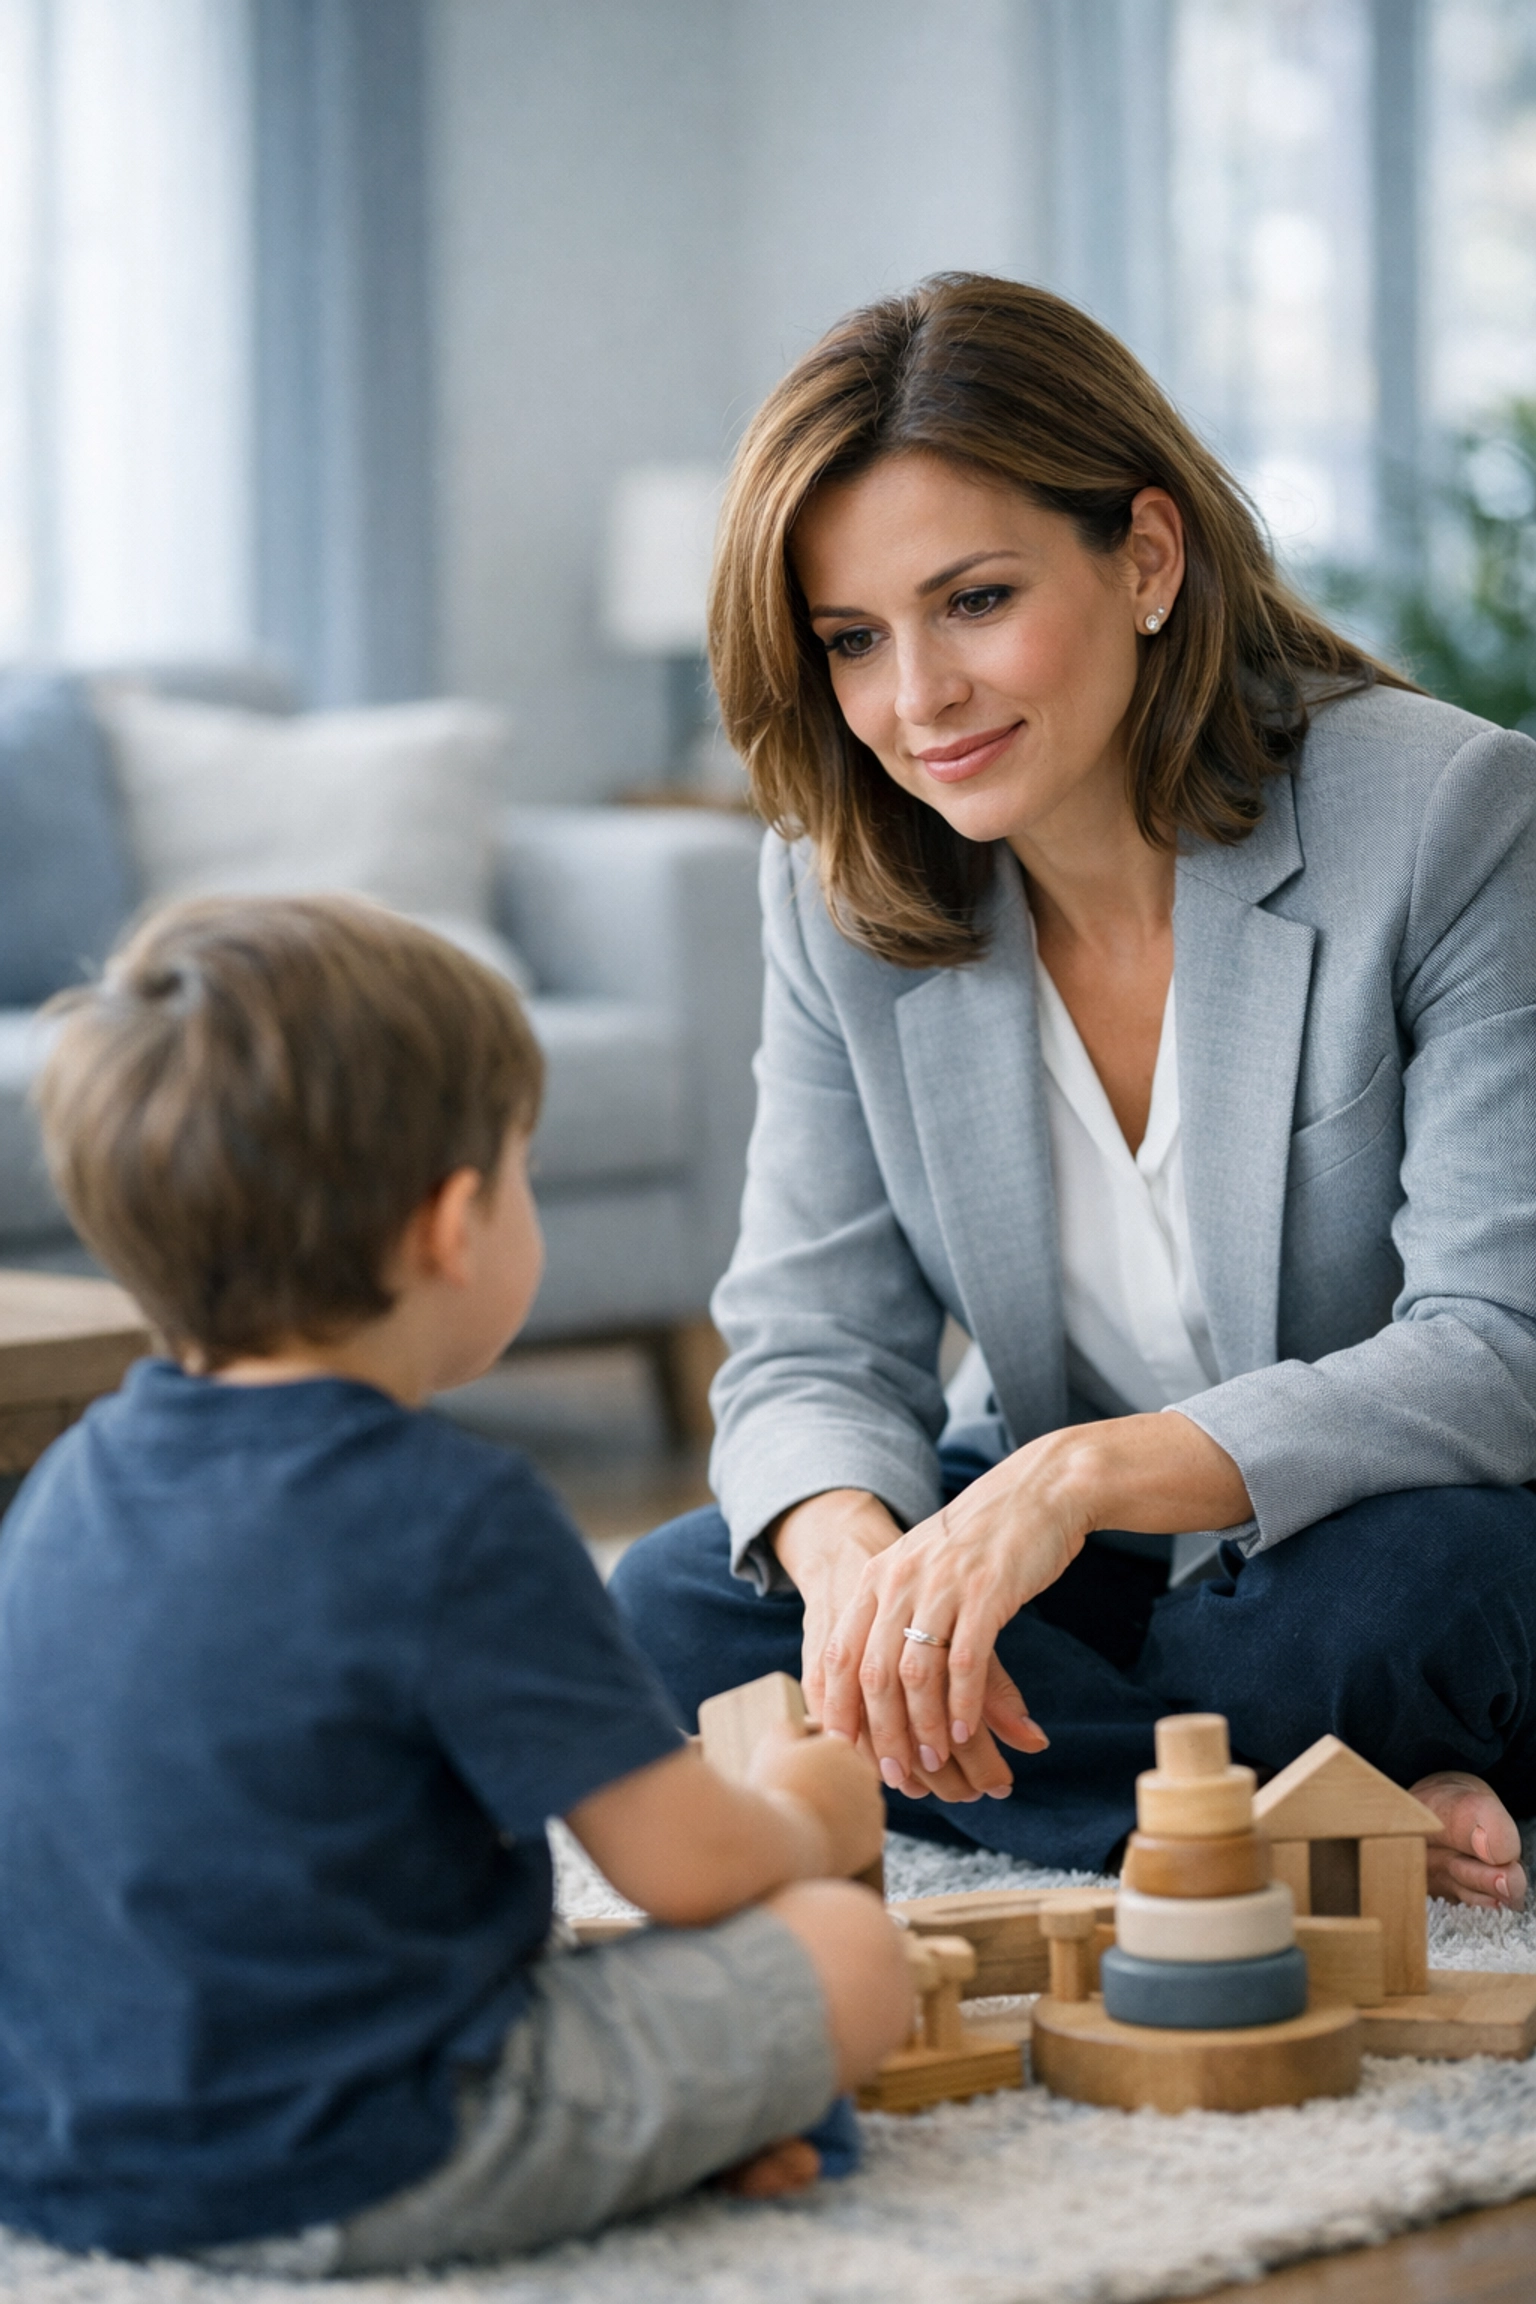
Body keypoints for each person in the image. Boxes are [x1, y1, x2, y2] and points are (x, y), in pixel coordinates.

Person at [611, 272, 1536, 1909]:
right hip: (1102, 1579)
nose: (918, 700)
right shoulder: (835, 892)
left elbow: (1496, 1349)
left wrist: (1070, 1479)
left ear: (1149, 558)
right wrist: (855, 1583)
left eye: (973, 601)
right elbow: (813, 1341)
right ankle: (1281, 1821)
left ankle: (1161, 1778)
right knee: (684, 1601)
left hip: (1370, 1529)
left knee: (1405, 1600)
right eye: (851, 639)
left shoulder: (1452, 814)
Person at [0, 895, 907, 2269]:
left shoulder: (70, 1480)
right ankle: (670, 2144)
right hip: (356, 2156)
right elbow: (684, 1870)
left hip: (62, 2147)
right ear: (451, 1225)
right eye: (523, 1169)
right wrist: (805, 1806)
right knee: (848, 1951)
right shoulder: (451, 1516)